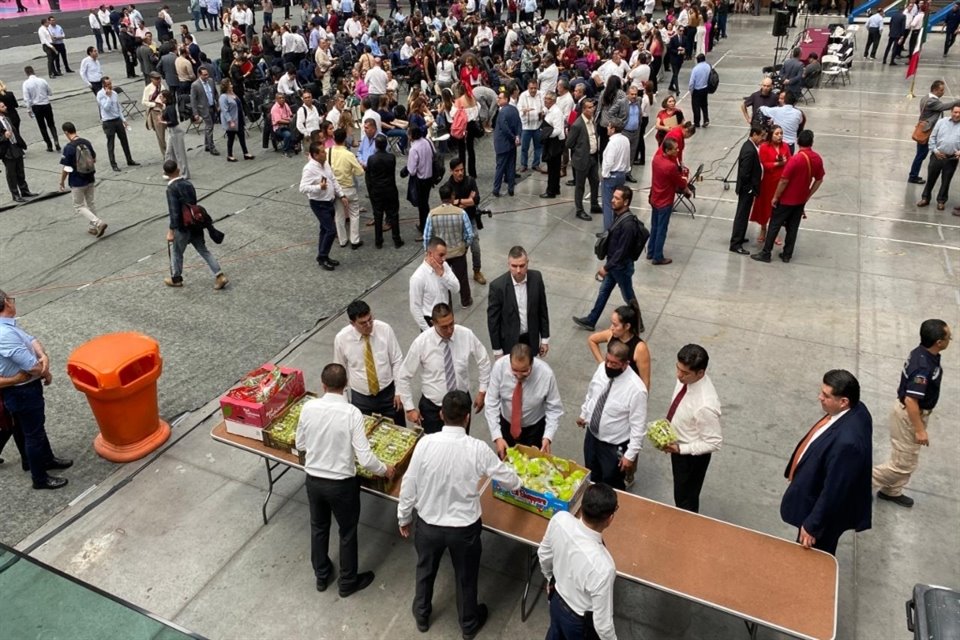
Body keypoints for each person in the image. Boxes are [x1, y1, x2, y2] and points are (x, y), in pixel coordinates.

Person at [397, 390, 520, 638]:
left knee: (425, 570)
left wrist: (404, 516)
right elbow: (507, 479)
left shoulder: (425, 444)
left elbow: (409, 483)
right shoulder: (477, 449)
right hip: (464, 529)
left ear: (441, 414)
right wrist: (518, 481)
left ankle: (422, 614)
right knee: (466, 577)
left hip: (429, 525)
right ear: (467, 418)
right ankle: (468, 623)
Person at [296, 363, 394, 596]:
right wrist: (385, 470)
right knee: (347, 532)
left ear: (323, 384)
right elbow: (365, 458)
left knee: (318, 527)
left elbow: (300, 444)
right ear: (346, 384)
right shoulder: (352, 413)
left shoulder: (309, 408)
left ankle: (321, 576)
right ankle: (348, 581)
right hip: (341, 485)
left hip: (314, 481)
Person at [780, 370, 872, 555]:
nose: (819, 397)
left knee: (813, 554)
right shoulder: (857, 410)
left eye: (826, 395)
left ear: (844, 401)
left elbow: (835, 489)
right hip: (817, 498)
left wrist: (813, 524)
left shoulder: (847, 443)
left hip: (822, 515)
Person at [873, 319, 951, 508]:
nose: (951, 339)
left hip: (916, 413)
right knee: (903, 465)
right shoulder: (922, 367)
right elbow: (911, 400)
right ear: (938, 342)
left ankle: (891, 490)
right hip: (909, 415)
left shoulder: (925, 353)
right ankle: (856, 482)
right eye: (949, 337)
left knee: (906, 456)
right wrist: (919, 430)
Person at [0, 290, 73, 490]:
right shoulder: (4, 334)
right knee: (33, 433)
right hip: (22, 391)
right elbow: (30, 365)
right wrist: (44, 371)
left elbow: (31, 339)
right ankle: (40, 478)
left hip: (23, 389)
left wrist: (43, 356)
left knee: (33, 429)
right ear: (6, 303)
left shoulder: (8, 327)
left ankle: (46, 459)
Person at [538, 483, 619, 640]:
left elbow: (543, 555)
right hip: (578, 621)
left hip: (556, 600)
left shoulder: (559, 519)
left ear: (581, 507)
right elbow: (602, 624)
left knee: (555, 633)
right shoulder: (604, 567)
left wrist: (550, 579)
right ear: (609, 519)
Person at [396, 303, 491, 434]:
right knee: (435, 449)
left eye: (451, 323)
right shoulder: (422, 342)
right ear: (433, 323)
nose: (450, 329)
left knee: (461, 444)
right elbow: (404, 375)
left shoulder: (466, 335)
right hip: (433, 409)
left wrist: (482, 391)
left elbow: (484, 360)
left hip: (460, 405)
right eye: (444, 327)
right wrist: (409, 408)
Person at [654, 344, 721, 513]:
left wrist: (680, 449)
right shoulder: (687, 379)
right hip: (678, 444)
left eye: (685, 373)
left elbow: (714, 442)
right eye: (678, 369)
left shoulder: (705, 406)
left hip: (691, 458)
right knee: (681, 490)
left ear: (701, 373)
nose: (679, 375)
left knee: (686, 498)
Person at [576, 340, 647, 490]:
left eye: (614, 364)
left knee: (611, 482)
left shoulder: (636, 390)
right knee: (591, 475)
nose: (608, 366)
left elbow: (638, 426)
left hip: (613, 446)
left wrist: (630, 455)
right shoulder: (602, 368)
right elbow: (592, 394)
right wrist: (585, 413)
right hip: (592, 437)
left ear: (625, 364)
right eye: (607, 360)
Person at [573, 186, 646, 330]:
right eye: (613, 197)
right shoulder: (619, 216)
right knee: (604, 291)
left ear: (626, 202)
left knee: (628, 296)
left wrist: (606, 267)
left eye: (617, 198)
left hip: (621, 268)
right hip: (615, 266)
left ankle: (638, 324)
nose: (612, 201)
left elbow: (622, 252)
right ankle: (591, 320)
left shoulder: (628, 225)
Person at [752, 130, 825, 263]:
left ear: (798, 142)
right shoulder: (817, 159)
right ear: (812, 142)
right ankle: (787, 254)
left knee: (774, 224)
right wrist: (808, 194)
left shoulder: (795, 160)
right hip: (800, 200)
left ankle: (766, 253)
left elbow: (784, 181)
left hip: (786, 200)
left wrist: (775, 197)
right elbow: (819, 179)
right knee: (792, 228)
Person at [333, 301, 406, 426]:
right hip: (361, 398)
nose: (368, 325)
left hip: (389, 395)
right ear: (352, 323)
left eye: (370, 319)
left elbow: (397, 360)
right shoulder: (342, 339)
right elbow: (340, 371)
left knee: (398, 431)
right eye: (363, 323)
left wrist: (399, 390)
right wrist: (344, 403)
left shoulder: (384, 330)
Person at [485, 342, 563, 458]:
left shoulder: (546, 374)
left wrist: (547, 437)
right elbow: (491, 403)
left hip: (534, 428)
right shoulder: (500, 367)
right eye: (515, 370)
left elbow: (554, 408)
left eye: (524, 371)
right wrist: (497, 437)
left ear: (532, 363)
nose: (519, 375)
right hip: (507, 425)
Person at [163, 160, 227, 289]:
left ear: (165, 173)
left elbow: (174, 212)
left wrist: (171, 231)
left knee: (176, 251)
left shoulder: (171, 189)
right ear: (178, 169)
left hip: (183, 226)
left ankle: (176, 278)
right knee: (203, 250)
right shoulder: (188, 184)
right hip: (195, 223)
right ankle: (220, 275)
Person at [487, 246, 551, 359]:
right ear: (508, 264)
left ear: (528, 263)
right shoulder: (497, 287)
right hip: (509, 343)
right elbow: (493, 322)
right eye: (514, 266)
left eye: (522, 266)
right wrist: (497, 350)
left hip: (531, 338)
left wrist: (545, 339)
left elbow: (542, 309)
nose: (518, 270)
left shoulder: (536, 278)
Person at [423, 183, 475, 308]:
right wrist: (465, 245)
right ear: (453, 196)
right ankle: (465, 300)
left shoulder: (432, 214)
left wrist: (428, 252)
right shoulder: (461, 213)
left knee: (443, 279)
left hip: (439, 254)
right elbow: (470, 234)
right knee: (462, 277)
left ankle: (447, 304)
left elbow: (427, 236)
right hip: (458, 251)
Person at [300, 142, 350, 271]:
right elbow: (303, 188)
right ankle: (322, 257)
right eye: (322, 151)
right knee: (331, 230)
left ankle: (324, 256)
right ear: (315, 155)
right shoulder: (309, 168)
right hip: (319, 203)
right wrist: (318, 187)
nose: (325, 153)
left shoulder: (326, 163)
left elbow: (333, 179)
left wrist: (341, 195)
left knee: (324, 229)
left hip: (329, 201)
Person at [648, 138, 692, 266]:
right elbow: (680, 182)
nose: (677, 150)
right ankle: (657, 256)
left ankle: (651, 251)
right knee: (662, 229)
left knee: (654, 226)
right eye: (675, 149)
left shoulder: (656, 160)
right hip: (665, 200)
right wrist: (685, 182)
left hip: (655, 198)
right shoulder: (670, 167)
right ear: (667, 150)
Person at [59, 122, 107, 237]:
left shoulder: (69, 147)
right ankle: (93, 227)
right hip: (90, 177)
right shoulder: (86, 142)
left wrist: (61, 181)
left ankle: (98, 223)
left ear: (66, 132)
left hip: (77, 180)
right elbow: (94, 159)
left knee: (78, 205)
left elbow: (66, 168)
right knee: (90, 202)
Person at [908, 81, 960, 185]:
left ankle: (914, 175)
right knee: (921, 155)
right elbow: (944, 106)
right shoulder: (932, 101)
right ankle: (913, 176)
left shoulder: (925, 97)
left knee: (920, 154)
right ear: (935, 90)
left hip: (924, 129)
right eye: (941, 90)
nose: (943, 92)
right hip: (927, 131)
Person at [587, 303, 649, 389]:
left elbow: (645, 382)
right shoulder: (610, 334)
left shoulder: (640, 348)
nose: (611, 327)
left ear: (627, 326)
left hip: (627, 390)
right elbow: (592, 340)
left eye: (615, 325)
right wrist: (601, 363)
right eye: (612, 323)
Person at [444, 158, 485, 284]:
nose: (460, 173)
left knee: (476, 247)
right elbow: (449, 205)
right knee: (458, 251)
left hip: (471, 219)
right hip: (456, 223)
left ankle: (477, 271)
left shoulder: (470, 181)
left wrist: (459, 202)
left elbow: (476, 200)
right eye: (457, 171)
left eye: (462, 170)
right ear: (451, 171)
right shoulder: (448, 186)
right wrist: (468, 200)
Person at [751, 126, 793, 246]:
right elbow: (764, 163)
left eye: (781, 133)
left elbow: (790, 161)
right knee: (765, 206)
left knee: (778, 209)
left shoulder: (785, 146)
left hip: (781, 182)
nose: (780, 136)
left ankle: (775, 232)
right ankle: (763, 229)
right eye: (777, 134)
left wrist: (785, 163)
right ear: (771, 135)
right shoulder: (764, 147)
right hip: (767, 182)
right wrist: (778, 163)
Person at [728, 125, 765, 254]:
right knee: (742, 215)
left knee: (744, 214)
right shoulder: (749, 150)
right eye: (761, 136)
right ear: (754, 134)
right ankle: (735, 244)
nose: (762, 138)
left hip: (747, 188)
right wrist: (750, 189)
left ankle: (740, 236)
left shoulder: (750, 146)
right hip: (746, 189)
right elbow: (745, 173)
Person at [917, 105, 960, 211]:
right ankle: (925, 198)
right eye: (955, 112)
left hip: (952, 159)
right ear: (951, 112)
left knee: (946, 181)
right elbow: (932, 137)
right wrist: (935, 151)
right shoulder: (941, 122)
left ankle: (941, 201)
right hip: (937, 156)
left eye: (959, 113)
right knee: (931, 178)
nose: (957, 115)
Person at [365, 134, 404, 249]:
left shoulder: (371, 159)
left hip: (377, 190)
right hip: (390, 189)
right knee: (393, 214)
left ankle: (378, 241)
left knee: (378, 215)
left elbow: (370, 175)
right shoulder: (391, 158)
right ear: (386, 144)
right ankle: (396, 239)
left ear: (376, 145)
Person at [567, 99, 602, 222]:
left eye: (592, 107)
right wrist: (580, 151)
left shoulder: (593, 121)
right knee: (580, 186)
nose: (592, 109)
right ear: (583, 109)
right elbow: (569, 143)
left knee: (595, 182)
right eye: (588, 107)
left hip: (593, 158)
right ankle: (579, 210)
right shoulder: (577, 125)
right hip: (582, 160)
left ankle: (594, 204)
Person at [330, 129, 365, 249]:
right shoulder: (348, 154)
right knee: (354, 213)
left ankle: (342, 240)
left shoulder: (328, 151)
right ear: (345, 139)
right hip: (348, 187)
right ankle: (354, 240)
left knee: (339, 215)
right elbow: (360, 172)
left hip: (335, 188)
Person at [94, 78, 138, 173]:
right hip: (108, 122)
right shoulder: (100, 95)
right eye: (108, 84)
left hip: (117, 120)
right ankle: (113, 164)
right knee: (111, 143)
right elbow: (106, 108)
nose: (110, 85)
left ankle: (129, 160)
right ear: (103, 85)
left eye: (110, 83)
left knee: (124, 140)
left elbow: (118, 108)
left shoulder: (114, 93)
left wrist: (124, 120)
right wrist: (108, 97)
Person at [0, 103, 35, 204]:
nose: (6, 107)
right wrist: (3, 137)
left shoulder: (7, 118)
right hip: (6, 150)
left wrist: (21, 144)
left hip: (16, 147)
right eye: (2, 106)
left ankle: (24, 191)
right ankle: (15, 194)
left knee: (20, 171)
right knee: (11, 174)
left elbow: (15, 132)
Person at [404, 123, 434, 236]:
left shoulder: (414, 149)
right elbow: (433, 154)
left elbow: (411, 170)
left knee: (422, 205)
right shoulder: (428, 141)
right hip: (430, 176)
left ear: (411, 135)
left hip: (420, 179)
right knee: (425, 202)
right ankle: (425, 225)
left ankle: (424, 227)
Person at [22, 67, 60, 153]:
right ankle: (56, 140)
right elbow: (50, 92)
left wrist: (29, 109)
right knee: (51, 124)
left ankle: (49, 144)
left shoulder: (26, 84)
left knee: (42, 126)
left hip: (36, 106)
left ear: (26, 73)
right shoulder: (42, 80)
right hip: (46, 104)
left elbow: (26, 98)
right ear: (33, 71)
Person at [492, 90, 521, 198]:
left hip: (503, 144)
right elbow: (519, 124)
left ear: (506, 99)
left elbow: (504, 128)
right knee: (511, 166)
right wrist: (517, 136)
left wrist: (513, 137)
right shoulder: (514, 109)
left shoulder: (502, 112)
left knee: (500, 167)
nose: (497, 100)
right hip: (512, 144)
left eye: (500, 98)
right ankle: (511, 189)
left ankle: (496, 189)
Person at [219, 79, 253, 162]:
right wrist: (230, 121)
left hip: (239, 119)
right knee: (231, 138)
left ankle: (246, 153)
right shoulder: (223, 97)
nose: (231, 85)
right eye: (230, 84)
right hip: (232, 121)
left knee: (242, 136)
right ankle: (229, 155)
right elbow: (225, 110)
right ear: (226, 86)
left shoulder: (233, 93)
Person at [159, 90, 190, 180]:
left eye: (161, 97)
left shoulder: (170, 108)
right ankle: (169, 171)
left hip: (175, 131)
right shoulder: (166, 107)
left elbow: (173, 122)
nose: (160, 98)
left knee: (179, 153)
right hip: (171, 131)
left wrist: (162, 121)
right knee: (169, 152)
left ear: (165, 98)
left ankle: (185, 174)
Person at [190, 67, 220, 156]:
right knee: (209, 126)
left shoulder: (211, 81)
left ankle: (207, 144)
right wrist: (195, 113)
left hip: (212, 107)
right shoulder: (195, 85)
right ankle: (212, 147)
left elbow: (215, 93)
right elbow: (193, 100)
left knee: (209, 126)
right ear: (199, 75)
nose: (207, 76)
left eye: (207, 74)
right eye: (204, 75)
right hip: (203, 109)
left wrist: (218, 103)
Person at [540, 92, 565, 198]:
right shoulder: (550, 110)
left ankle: (551, 191)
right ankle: (556, 188)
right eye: (545, 98)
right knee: (554, 167)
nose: (545, 100)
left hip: (555, 142)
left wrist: (546, 135)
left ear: (553, 101)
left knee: (553, 168)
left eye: (548, 99)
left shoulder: (556, 112)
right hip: (553, 141)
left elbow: (558, 130)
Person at [143, 72, 168, 156]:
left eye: (159, 79)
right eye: (156, 79)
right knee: (160, 134)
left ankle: (170, 150)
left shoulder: (161, 86)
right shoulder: (148, 88)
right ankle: (165, 153)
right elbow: (144, 101)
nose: (158, 80)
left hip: (164, 110)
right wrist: (154, 104)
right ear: (151, 79)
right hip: (155, 112)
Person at [688, 53, 711, 128]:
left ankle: (697, 122)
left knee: (696, 106)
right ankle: (706, 119)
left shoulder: (695, 69)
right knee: (704, 105)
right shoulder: (708, 66)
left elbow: (691, 82)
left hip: (697, 90)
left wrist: (691, 91)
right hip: (705, 88)